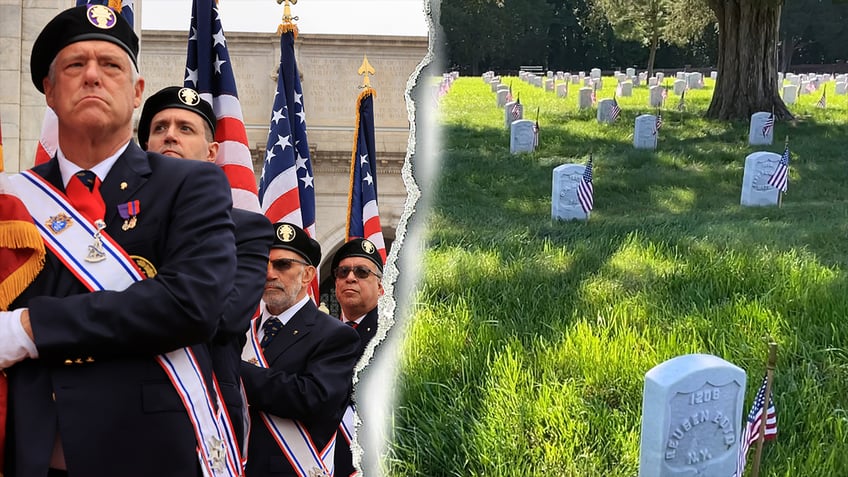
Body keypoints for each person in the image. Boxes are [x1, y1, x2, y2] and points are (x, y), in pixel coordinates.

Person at [2, 5, 238, 476]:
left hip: (145, 453)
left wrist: (27, 328)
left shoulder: (191, 185)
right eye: (75, 65)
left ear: (136, 93)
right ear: (49, 91)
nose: (92, 76)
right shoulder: (13, 199)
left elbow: (192, 303)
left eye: (110, 65)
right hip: (30, 453)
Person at [138, 85, 273, 454]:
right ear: (145, 147)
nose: (170, 135)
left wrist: (125, 310)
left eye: (185, 128)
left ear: (212, 151)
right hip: (120, 400)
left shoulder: (247, 229)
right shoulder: (118, 220)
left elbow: (225, 317)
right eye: (160, 127)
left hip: (204, 403)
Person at [241, 222, 360, 477]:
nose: (270, 273)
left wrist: (236, 370)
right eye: (265, 263)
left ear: (307, 275)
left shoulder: (336, 335)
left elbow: (311, 398)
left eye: (283, 265)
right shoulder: (239, 332)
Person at [330, 238, 384, 477]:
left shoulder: (392, 333)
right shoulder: (321, 336)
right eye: (343, 272)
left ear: (381, 288)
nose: (350, 278)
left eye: (362, 272)